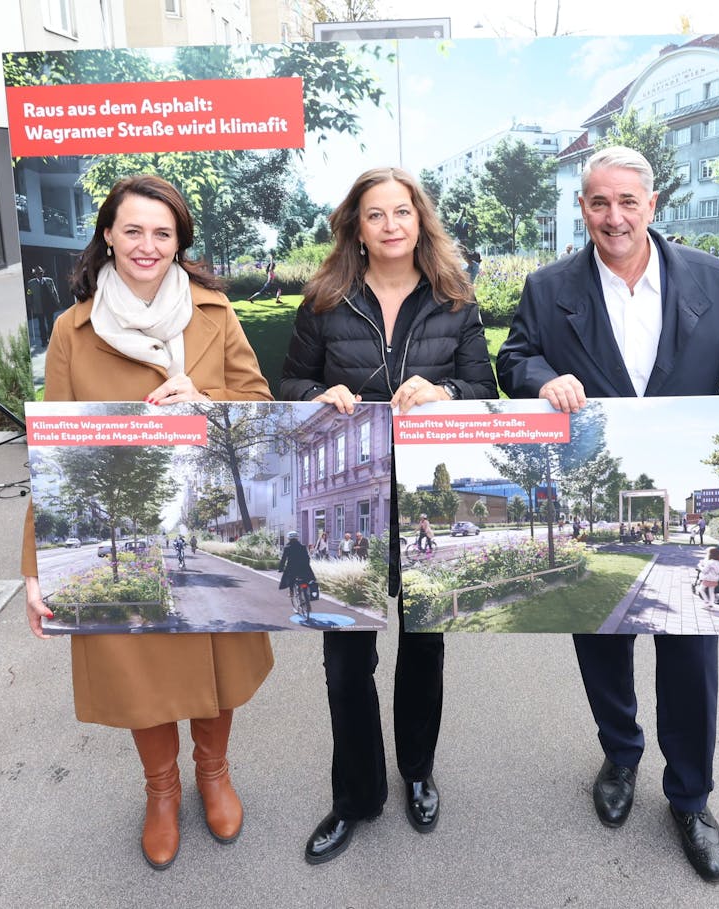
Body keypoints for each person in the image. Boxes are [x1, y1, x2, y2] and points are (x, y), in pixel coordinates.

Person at [495, 146, 719, 884]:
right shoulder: (549, 286)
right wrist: (540, 377)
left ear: (653, 204)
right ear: (583, 208)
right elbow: (513, 358)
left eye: (628, 201)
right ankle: (620, 754)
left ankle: (689, 796)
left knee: (691, 654)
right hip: (600, 495)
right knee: (600, 630)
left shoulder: (711, 279)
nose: (613, 217)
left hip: (689, 496)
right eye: (599, 203)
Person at [21, 174, 274, 872]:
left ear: (179, 243)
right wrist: (35, 566)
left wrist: (206, 396)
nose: (147, 245)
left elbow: (259, 406)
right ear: (107, 234)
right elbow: (53, 456)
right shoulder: (72, 333)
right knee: (140, 669)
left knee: (216, 659)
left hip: (204, 524)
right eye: (132, 230)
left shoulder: (214, 315)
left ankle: (213, 773)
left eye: (162, 233)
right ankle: (161, 790)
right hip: (119, 536)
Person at [278, 166, 497, 864]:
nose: (391, 224)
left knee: (424, 650)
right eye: (376, 214)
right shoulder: (325, 301)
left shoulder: (455, 301)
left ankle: (418, 773)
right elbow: (290, 384)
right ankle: (355, 796)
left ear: (419, 220)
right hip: (353, 507)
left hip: (423, 501)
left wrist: (445, 391)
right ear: (357, 226)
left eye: (402, 211)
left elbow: (483, 389)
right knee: (345, 660)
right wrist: (324, 393)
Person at [277, 530, 315, 601]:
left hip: (292, 568)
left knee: (291, 578)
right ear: (297, 538)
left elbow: (283, 559)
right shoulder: (303, 546)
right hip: (304, 568)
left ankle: (291, 592)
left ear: (289, 539)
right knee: (309, 578)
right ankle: (308, 590)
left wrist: (280, 568)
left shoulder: (287, 547)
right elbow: (307, 558)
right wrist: (306, 565)